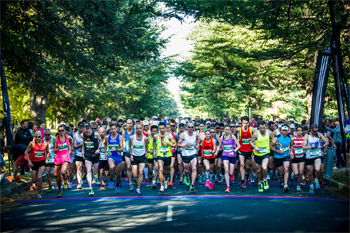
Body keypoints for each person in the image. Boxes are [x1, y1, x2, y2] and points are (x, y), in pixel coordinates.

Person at [302, 124, 328, 194]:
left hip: (317, 155)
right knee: (310, 174)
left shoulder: (318, 134)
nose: (315, 133)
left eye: (316, 131)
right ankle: (311, 185)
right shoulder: (307, 136)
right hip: (309, 156)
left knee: (317, 169)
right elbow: (303, 147)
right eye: (314, 131)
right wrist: (310, 147)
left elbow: (327, 142)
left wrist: (322, 146)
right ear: (311, 130)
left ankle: (316, 179)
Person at [24, 131, 49, 199]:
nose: (38, 138)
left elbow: (47, 152)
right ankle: (34, 183)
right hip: (33, 162)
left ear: (41, 136)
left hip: (41, 162)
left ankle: (39, 193)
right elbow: (26, 152)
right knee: (34, 179)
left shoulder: (45, 144)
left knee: (39, 177)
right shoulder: (32, 143)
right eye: (36, 136)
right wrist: (29, 161)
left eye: (39, 136)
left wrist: (47, 159)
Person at [250, 121, 273, 192]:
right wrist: (255, 147)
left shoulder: (269, 133)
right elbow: (251, 142)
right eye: (261, 127)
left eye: (264, 127)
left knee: (264, 167)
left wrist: (274, 144)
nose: (262, 129)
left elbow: (272, 139)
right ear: (258, 127)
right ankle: (259, 183)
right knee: (258, 170)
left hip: (265, 153)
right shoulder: (256, 134)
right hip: (257, 154)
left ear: (266, 127)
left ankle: (265, 180)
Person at [154, 122, 176, 192]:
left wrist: (167, 144)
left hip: (168, 155)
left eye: (163, 128)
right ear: (158, 129)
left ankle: (166, 180)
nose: (161, 130)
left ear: (165, 128)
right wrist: (154, 150)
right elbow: (154, 142)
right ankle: (161, 186)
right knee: (160, 169)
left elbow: (175, 144)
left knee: (166, 171)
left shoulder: (169, 135)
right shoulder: (156, 136)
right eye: (160, 128)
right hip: (160, 155)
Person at [235, 116, 256, 188]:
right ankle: (242, 180)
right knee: (241, 165)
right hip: (241, 150)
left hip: (249, 150)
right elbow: (233, 135)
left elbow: (256, 136)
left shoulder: (252, 130)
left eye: (246, 123)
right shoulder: (238, 130)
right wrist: (235, 144)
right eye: (243, 123)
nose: (245, 125)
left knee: (247, 166)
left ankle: (247, 175)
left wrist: (254, 145)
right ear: (241, 123)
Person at [82, 124, 102, 197]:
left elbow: (100, 140)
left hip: (95, 155)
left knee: (95, 172)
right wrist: (82, 151)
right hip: (88, 155)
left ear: (91, 131)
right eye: (86, 132)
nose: (88, 134)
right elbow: (83, 143)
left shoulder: (96, 134)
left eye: (89, 132)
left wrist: (98, 149)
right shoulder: (82, 135)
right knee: (88, 171)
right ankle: (90, 189)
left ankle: (95, 176)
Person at [53, 125, 73, 197]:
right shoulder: (55, 139)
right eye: (59, 131)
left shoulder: (68, 137)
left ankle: (64, 181)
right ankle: (59, 190)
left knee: (63, 171)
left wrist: (71, 150)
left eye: (62, 130)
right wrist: (58, 148)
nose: (61, 132)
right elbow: (54, 151)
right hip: (58, 158)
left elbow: (71, 143)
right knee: (58, 177)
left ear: (65, 131)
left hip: (66, 157)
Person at [178, 122, 199, 191]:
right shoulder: (183, 135)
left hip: (193, 154)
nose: (191, 128)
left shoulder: (195, 134)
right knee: (187, 170)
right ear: (186, 127)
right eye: (189, 127)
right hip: (185, 154)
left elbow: (197, 141)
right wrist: (184, 146)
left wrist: (197, 146)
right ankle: (186, 176)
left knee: (194, 168)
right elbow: (178, 144)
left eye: (192, 127)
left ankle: (192, 185)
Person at [129, 124, 148, 195]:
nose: (139, 130)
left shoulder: (145, 138)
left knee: (140, 172)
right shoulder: (131, 137)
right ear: (135, 129)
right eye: (137, 128)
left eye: (140, 128)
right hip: (134, 156)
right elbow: (129, 146)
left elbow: (146, 146)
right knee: (134, 174)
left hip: (142, 156)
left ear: (142, 129)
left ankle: (138, 189)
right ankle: (135, 179)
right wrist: (131, 155)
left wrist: (146, 152)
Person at [271, 125, 291, 192]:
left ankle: (285, 185)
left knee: (286, 168)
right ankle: (282, 178)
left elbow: (292, 145)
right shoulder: (277, 138)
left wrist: (291, 151)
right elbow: (271, 147)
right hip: (278, 156)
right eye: (283, 131)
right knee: (280, 171)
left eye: (286, 131)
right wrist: (278, 151)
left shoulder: (290, 138)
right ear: (281, 131)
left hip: (286, 155)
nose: (285, 132)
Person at [221, 125, 240, 192]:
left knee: (231, 172)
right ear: (224, 130)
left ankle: (232, 175)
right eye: (225, 129)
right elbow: (220, 146)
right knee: (226, 170)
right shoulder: (222, 137)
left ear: (229, 130)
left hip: (232, 155)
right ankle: (228, 187)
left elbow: (239, 146)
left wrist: (234, 151)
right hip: (225, 155)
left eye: (228, 129)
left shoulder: (233, 136)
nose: (227, 131)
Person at [107, 124, 123, 193]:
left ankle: (117, 185)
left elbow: (122, 149)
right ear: (110, 130)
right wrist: (105, 153)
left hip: (118, 156)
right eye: (112, 129)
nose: (113, 130)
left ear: (117, 129)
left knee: (118, 173)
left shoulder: (120, 137)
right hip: (111, 156)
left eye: (114, 128)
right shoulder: (107, 137)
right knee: (111, 166)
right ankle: (111, 179)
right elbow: (105, 145)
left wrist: (116, 149)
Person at [290, 125, 305, 192]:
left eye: (301, 130)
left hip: (301, 156)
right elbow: (291, 147)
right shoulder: (293, 139)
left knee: (301, 172)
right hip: (295, 157)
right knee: (296, 173)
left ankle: (298, 185)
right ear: (296, 131)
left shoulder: (304, 139)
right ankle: (293, 174)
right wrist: (291, 153)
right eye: (298, 130)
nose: (299, 132)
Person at [122, 118, 135, 191]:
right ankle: (130, 183)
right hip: (127, 151)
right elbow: (124, 141)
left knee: (134, 168)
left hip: (135, 151)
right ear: (126, 124)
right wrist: (123, 148)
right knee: (128, 166)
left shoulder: (135, 131)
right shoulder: (124, 132)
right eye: (128, 123)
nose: (129, 125)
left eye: (130, 123)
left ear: (132, 124)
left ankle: (135, 178)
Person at [44, 128, 56, 193]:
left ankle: (59, 181)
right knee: (47, 172)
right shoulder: (42, 140)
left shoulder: (53, 139)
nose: (47, 136)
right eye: (46, 135)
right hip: (47, 159)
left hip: (54, 158)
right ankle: (50, 186)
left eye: (49, 135)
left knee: (54, 174)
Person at [73, 122, 85, 189]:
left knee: (85, 168)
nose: (81, 129)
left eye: (82, 127)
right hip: (78, 154)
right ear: (78, 128)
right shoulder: (75, 135)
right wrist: (80, 145)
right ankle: (79, 183)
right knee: (79, 168)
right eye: (80, 127)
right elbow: (74, 146)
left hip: (86, 154)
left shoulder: (86, 135)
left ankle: (84, 175)